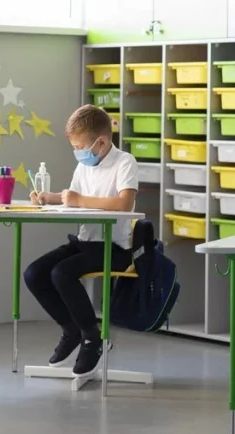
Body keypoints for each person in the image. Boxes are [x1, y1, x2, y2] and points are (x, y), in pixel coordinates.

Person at [23, 104, 138, 378]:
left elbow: (125, 202)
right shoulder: (84, 165)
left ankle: (92, 338)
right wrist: (48, 198)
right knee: (34, 273)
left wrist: (77, 200)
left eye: (81, 146)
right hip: (86, 241)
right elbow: (72, 198)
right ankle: (71, 329)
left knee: (62, 273)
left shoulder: (125, 162)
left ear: (101, 141)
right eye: (74, 147)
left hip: (115, 246)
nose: (78, 153)